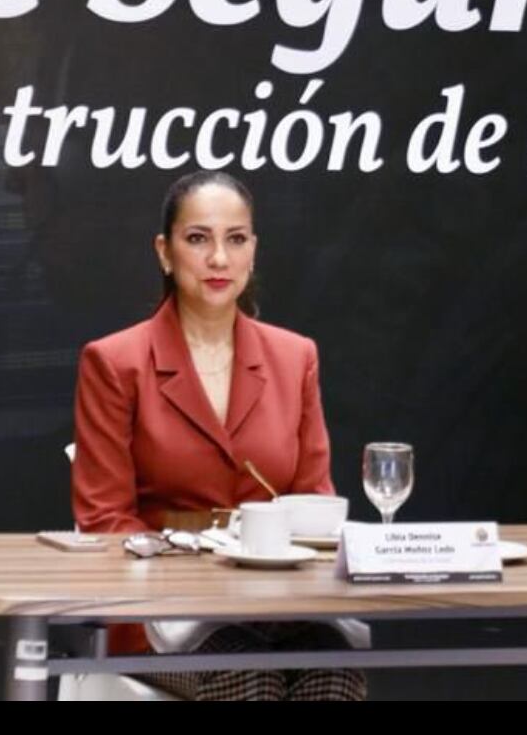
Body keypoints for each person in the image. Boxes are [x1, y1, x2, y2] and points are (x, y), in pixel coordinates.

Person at [71, 170, 365, 701]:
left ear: (253, 251)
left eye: (236, 239)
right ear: (165, 252)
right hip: (163, 617)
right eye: (198, 239)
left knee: (334, 671)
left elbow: (314, 506)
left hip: (279, 608)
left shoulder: (295, 356)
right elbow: (105, 521)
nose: (219, 259)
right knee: (250, 675)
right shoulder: (115, 362)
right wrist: (206, 570)